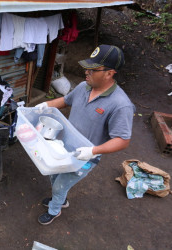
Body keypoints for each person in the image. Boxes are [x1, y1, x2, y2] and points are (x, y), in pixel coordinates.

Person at [34, 44, 135, 225]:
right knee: (53, 174)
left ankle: (55, 209)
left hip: (85, 157)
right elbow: (65, 101)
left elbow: (122, 140)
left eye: (92, 69)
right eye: (87, 67)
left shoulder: (120, 105)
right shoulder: (83, 87)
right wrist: (45, 106)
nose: (86, 72)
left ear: (109, 73)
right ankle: (61, 199)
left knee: (60, 184)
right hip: (64, 146)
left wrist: (93, 151)